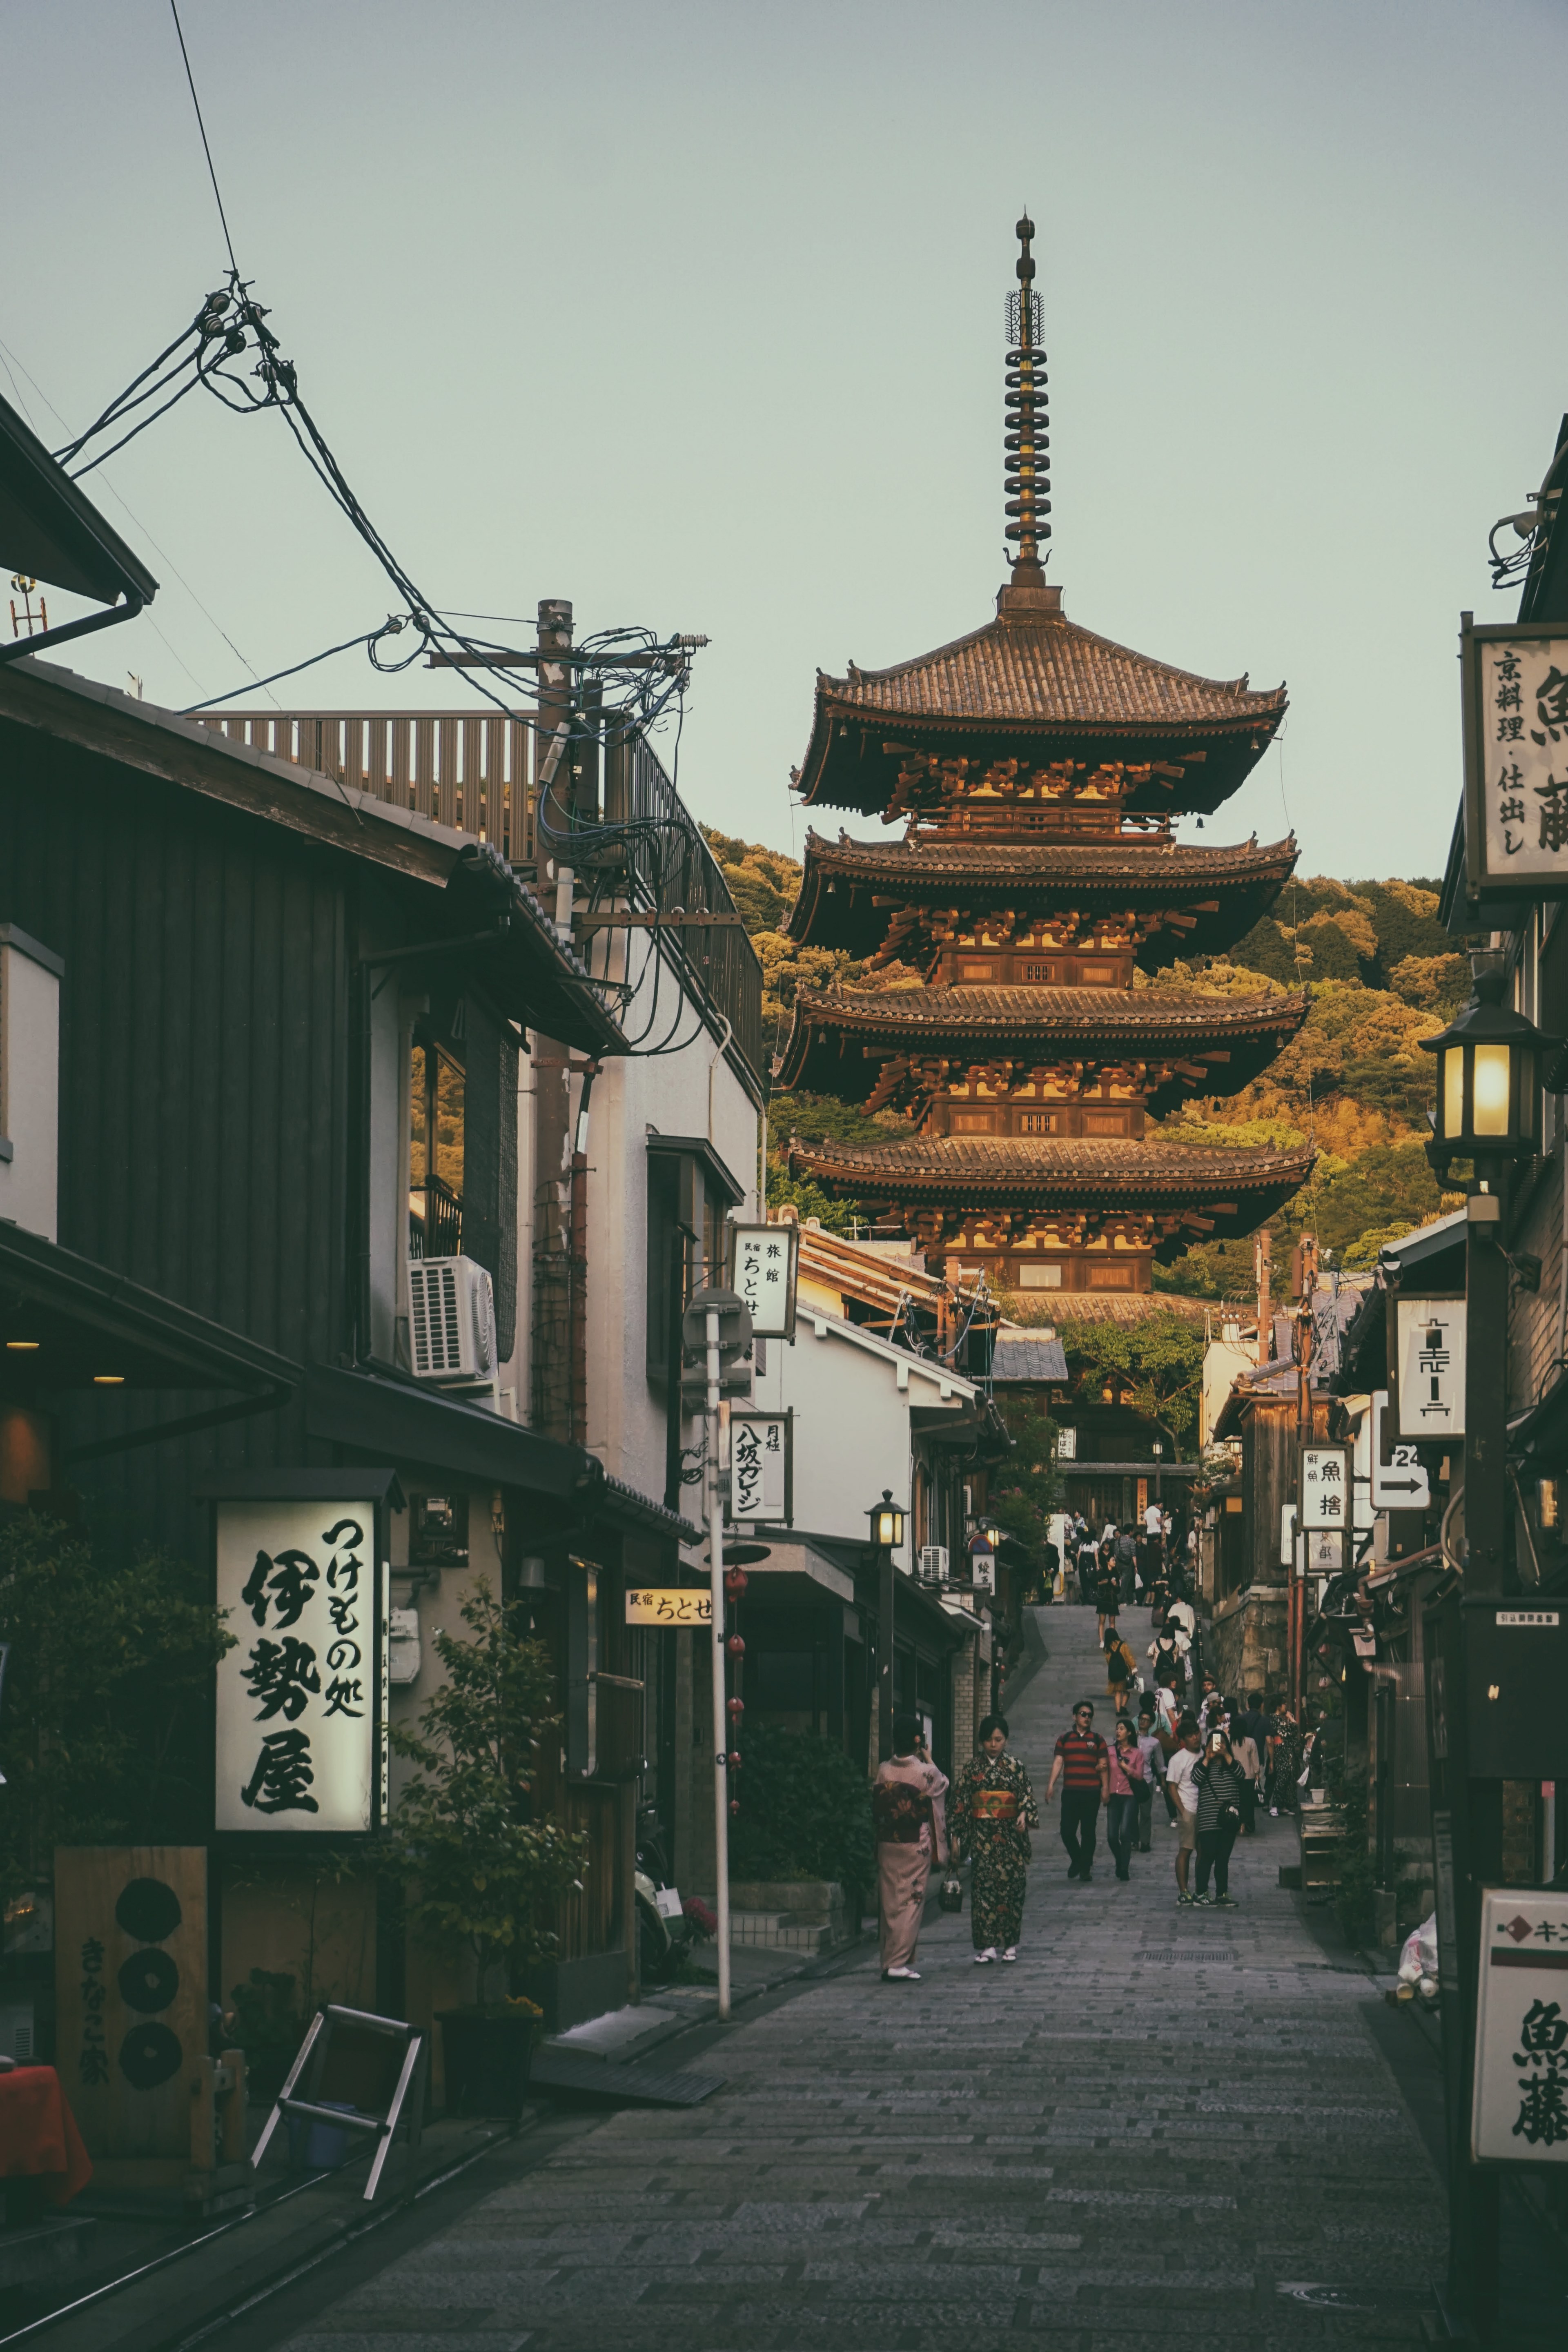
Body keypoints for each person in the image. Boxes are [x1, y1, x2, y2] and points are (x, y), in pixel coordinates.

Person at [949, 1712, 1039, 1963]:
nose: (994, 1744)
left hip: (1010, 1839)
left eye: (999, 1739)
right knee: (983, 1893)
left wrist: (1023, 1815)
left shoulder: (1015, 1767)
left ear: (1006, 1741)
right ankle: (987, 1945)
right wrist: (956, 1837)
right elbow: (960, 1804)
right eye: (989, 1740)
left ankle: (1011, 1944)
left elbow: (1027, 1799)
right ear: (981, 1742)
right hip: (982, 1840)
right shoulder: (972, 1769)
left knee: (1013, 1891)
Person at [871, 1711, 948, 1981]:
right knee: (911, 1901)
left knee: (891, 1900)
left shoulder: (883, 1769)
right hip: (915, 1843)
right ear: (918, 1740)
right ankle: (897, 1963)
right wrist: (928, 1758)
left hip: (888, 1843)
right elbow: (943, 1783)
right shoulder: (925, 1772)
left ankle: (890, 1959)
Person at [1045, 1699, 1110, 1882]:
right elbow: (1059, 1762)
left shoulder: (1098, 1740)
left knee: (1088, 1832)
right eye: (1083, 1714)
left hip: (1091, 1792)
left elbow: (1104, 1765)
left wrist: (1105, 1789)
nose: (1087, 1718)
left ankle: (1085, 1869)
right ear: (1075, 1717)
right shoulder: (1064, 1739)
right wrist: (1051, 1784)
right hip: (1071, 1792)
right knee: (1067, 1830)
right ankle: (1078, 1859)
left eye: (1090, 1715)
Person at [1191, 1729, 1249, 1907]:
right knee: (1207, 1857)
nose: (1218, 1746)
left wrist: (1226, 1755)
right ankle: (1201, 1893)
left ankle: (1222, 1893)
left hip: (1229, 1821)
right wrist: (1208, 1758)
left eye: (1222, 1742)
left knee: (1223, 1859)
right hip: (1209, 1820)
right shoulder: (1202, 1765)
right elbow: (1196, 1779)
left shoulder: (1232, 1764)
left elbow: (1241, 1775)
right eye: (1215, 1742)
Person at [1166, 1715, 1203, 1904]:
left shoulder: (1207, 1754)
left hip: (1206, 1810)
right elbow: (1171, 1786)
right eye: (1190, 1736)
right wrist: (1182, 1811)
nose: (1195, 1738)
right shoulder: (1178, 1760)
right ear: (1183, 1740)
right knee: (1186, 1850)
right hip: (1188, 1808)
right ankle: (1184, 1890)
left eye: (1197, 1734)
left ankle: (1200, 1890)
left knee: (1203, 1852)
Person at [1105, 1718, 1147, 1881]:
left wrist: (1127, 1768)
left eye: (1122, 1729)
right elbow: (1104, 1770)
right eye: (1117, 1729)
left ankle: (1124, 1869)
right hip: (1113, 1795)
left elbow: (1139, 1776)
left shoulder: (1137, 1753)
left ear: (1129, 1732)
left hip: (1129, 1796)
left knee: (1125, 1833)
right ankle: (1121, 1859)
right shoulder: (1109, 1751)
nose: (1118, 1731)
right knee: (1111, 1836)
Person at [1133, 1701, 1167, 1850]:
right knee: (1131, 1812)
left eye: (1146, 1720)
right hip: (1130, 1779)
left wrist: (1163, 1781)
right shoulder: (1130, 1738)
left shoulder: (1155, 1743)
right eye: (1142, 1719)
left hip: (1146, 1780)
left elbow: (1160, 1764)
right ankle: (1134, 1840)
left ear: (1151, 1724)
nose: (1143, 1722)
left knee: (1145, 1813)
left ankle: (1145, 1841)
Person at [1229, 1715, 1261, 1835]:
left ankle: (1236, 1823)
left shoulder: (1229, 1740)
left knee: (1235, 1801)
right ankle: (1244, 1825)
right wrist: (1257, 1774)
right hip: (1248, 1776)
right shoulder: (1250, 1742)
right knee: (1247, 1803)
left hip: (1233, 1776)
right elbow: (1255, 1760)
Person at [1104, 1624, 1137, 1707]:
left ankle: (1118, 1710)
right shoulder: (1123, 1645)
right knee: (1127, 1691)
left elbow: (1109, 1660)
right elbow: (1129, 1657)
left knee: (1118, 1692)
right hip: (1125, 1672)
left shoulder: (1107, 1648)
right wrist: (1133, 1667)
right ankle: (1123, 1707)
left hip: (1114, 1673)